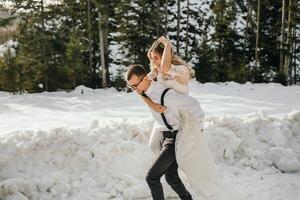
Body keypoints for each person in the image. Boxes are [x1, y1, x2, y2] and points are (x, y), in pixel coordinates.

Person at [126, 64, 204, 200]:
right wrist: (151, 104)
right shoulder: (146, 84)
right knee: (171, 177)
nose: (135, 90)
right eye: (131, 87)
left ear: (145, 79)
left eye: (135, 86)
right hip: (163, 135)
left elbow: (194, 105)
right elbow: (143, 87)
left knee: (151, 178)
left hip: (173, 140)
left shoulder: (166, 95)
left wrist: (198, 130)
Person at [140, 36, 195, 114]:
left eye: (156, 58)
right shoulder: (157, 72)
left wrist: (167, 45)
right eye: (152, 59)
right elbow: (140, 88)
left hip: (185, 115)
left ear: (165, 56)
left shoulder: (182, 69)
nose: (153, 62)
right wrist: (152, 105)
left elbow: (165, 68)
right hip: (167, 116)